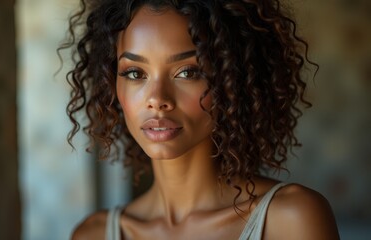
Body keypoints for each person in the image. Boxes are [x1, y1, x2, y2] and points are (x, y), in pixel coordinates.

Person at [63, 0, 340, 239]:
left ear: (232, 81)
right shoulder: (93, 235)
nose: (157, 98)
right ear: (112, 85)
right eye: (135, 73)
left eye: (188, 72)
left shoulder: (290, 220)